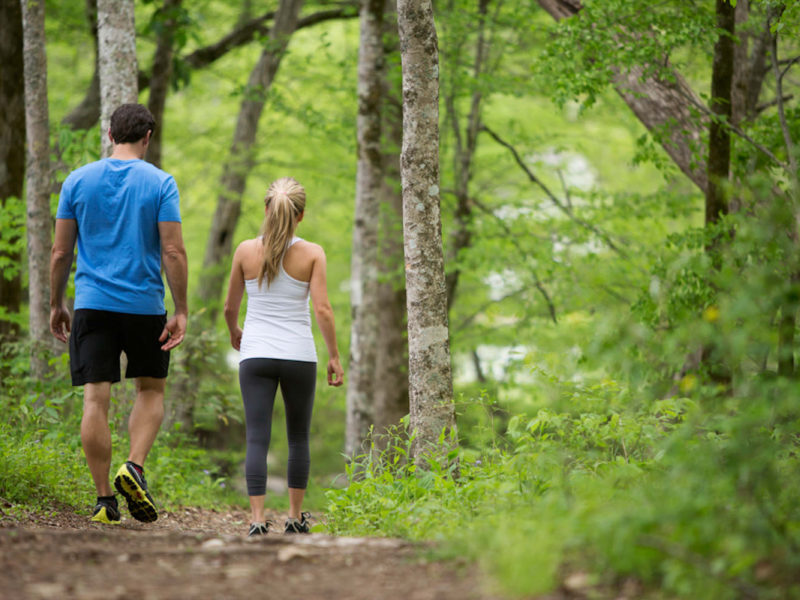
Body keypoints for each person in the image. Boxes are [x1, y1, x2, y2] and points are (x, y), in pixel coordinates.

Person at [50, 103, 188, 525]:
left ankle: (104, 500)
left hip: (91, 304)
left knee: (96, 398)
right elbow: (173, 250)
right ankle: (135, 466)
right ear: (147, 137)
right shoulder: (161, 183)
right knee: (151, 390)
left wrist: (57, 303)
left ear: (110, 134)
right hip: (144, 305)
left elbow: (60, 252)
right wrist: (181, 309)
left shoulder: (77, 180)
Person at [224, 176, 344, 537]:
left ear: (266, 210)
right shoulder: (313, 253)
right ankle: (294, 517)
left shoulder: (245, 251)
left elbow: (231, 306)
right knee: (298, 439)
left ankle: (258, 520)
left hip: (256, 354)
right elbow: (322, 309)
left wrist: (235, 333)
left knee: (257, 437)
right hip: (298, 355)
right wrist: (335, 356)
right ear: (301, 216)